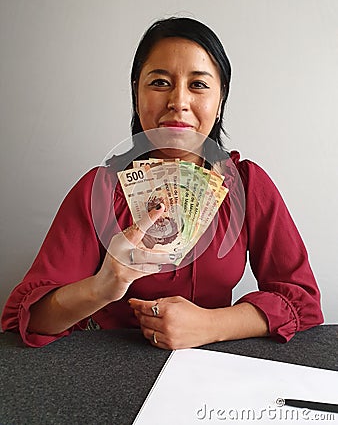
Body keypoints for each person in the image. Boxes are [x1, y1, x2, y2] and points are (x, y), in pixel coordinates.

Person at [1, 17, 323, 348]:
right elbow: (26, 319)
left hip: (213, 372)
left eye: (198, 85)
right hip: (107, 371)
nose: (178, 102)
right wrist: (102, 285)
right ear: (136, 92)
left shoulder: (247, 185)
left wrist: (212, 324)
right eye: (159, 83)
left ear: (221, 98)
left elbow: (303, 301)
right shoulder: (98, 191)